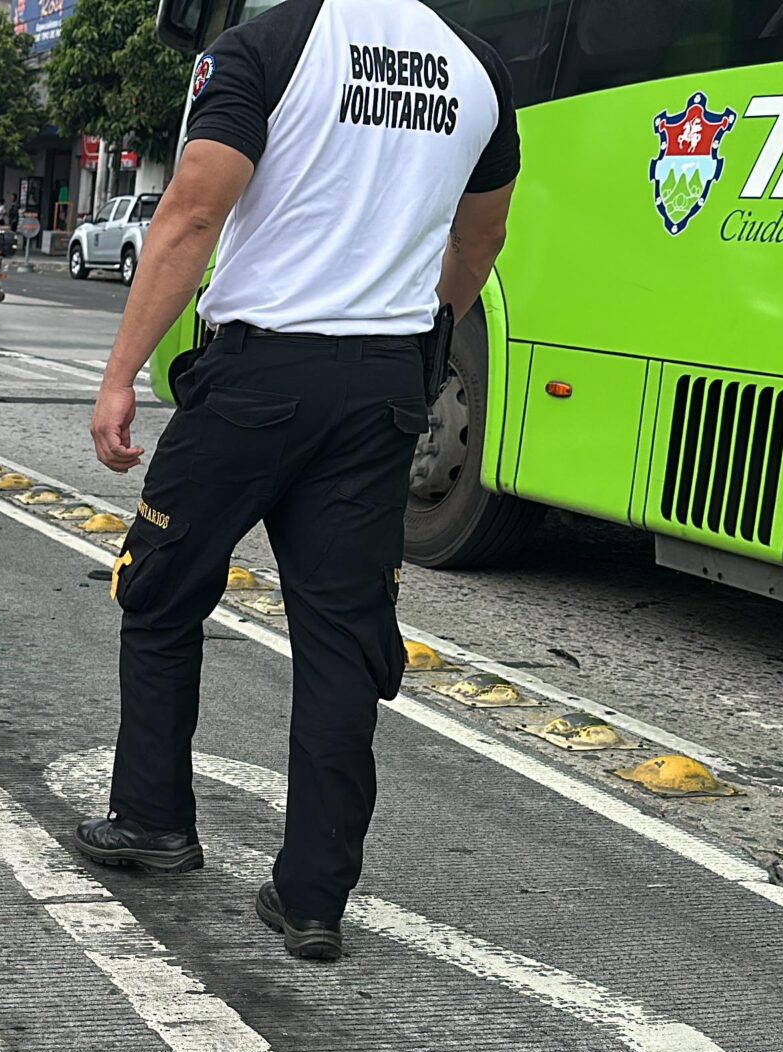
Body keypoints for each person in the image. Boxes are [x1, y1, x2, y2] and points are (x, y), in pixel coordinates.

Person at [71, 0, 519, 964]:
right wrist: (418, 327)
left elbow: (194, 210)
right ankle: (313, 897)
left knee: (159, 590)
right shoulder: (478, 71)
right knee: (343, 642)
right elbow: (481, 240)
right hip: (381, 394)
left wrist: (119, 376)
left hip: (257, 381)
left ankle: (153, 820)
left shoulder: (266, 47)